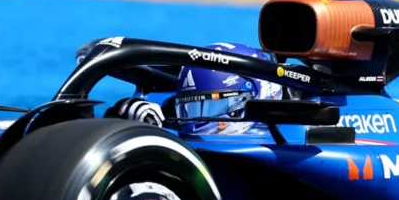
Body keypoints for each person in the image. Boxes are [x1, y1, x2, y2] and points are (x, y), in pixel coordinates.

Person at [108, 42, 285, 136]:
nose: (193, 125)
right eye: (189, 110)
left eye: (208, 108)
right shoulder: (178, 129)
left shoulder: (296, 142)